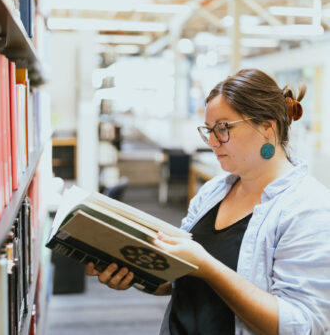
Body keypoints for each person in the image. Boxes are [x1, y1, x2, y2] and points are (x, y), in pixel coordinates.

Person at [86, 68, 330, 334]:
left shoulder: (309, 209)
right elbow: (178, 279)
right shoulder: (214, 191)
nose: (212, 142)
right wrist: (135, 273)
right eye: (208, 130)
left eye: (223, 128)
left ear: (267, 127)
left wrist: (208, 267)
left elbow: (303, 325)